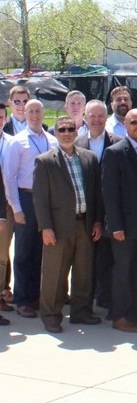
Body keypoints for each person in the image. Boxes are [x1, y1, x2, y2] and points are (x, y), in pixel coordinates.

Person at [33, 116, 102, 333]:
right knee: (54, 273)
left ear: (76, 131)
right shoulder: (45, 161)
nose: (66, 132)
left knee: (83, 271)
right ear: (55, 133)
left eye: (70, 128)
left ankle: (81, 312)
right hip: (58, 227)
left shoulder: (89, 158)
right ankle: (51, 315)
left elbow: (96, 194)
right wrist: (45, 227)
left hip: (84, 224)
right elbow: (40, 199)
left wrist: (98, 220)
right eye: (61, 129)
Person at [101, 109, 137, 333]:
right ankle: (120, 315)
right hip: (124, 225)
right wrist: (115, 225)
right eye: (133, 122)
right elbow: (109, 192)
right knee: (123, 271)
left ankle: (136, 311)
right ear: (125, 125)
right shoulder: (115, 152)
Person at [3, 99, 57, 318]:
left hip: (48, 202)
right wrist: (15, 207)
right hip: (26, 199)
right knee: (24, 251)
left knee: (41, 251)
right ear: (25, 114)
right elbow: (9, 176)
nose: (35, 115)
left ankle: (36, 295)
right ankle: (23, 298)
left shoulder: (52, 140)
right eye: (30, 111)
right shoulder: (18, 142)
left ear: (43, 113)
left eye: (38, 111)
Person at [74, 99, 122, 312]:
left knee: (108, 257)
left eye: (100, 116)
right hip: (85, 210)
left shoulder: (119, 142)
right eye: (92, 116)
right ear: (85, 117)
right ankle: (86, 298)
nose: (96, 120)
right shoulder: (76, 143)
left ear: (106, 117)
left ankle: (107, 298)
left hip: (111, 210)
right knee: (85, 259)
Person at [0, 103, 14, 312]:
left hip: (8, 205)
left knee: (2, 254)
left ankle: (2, 293)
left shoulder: (13, 143)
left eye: (1, 117)